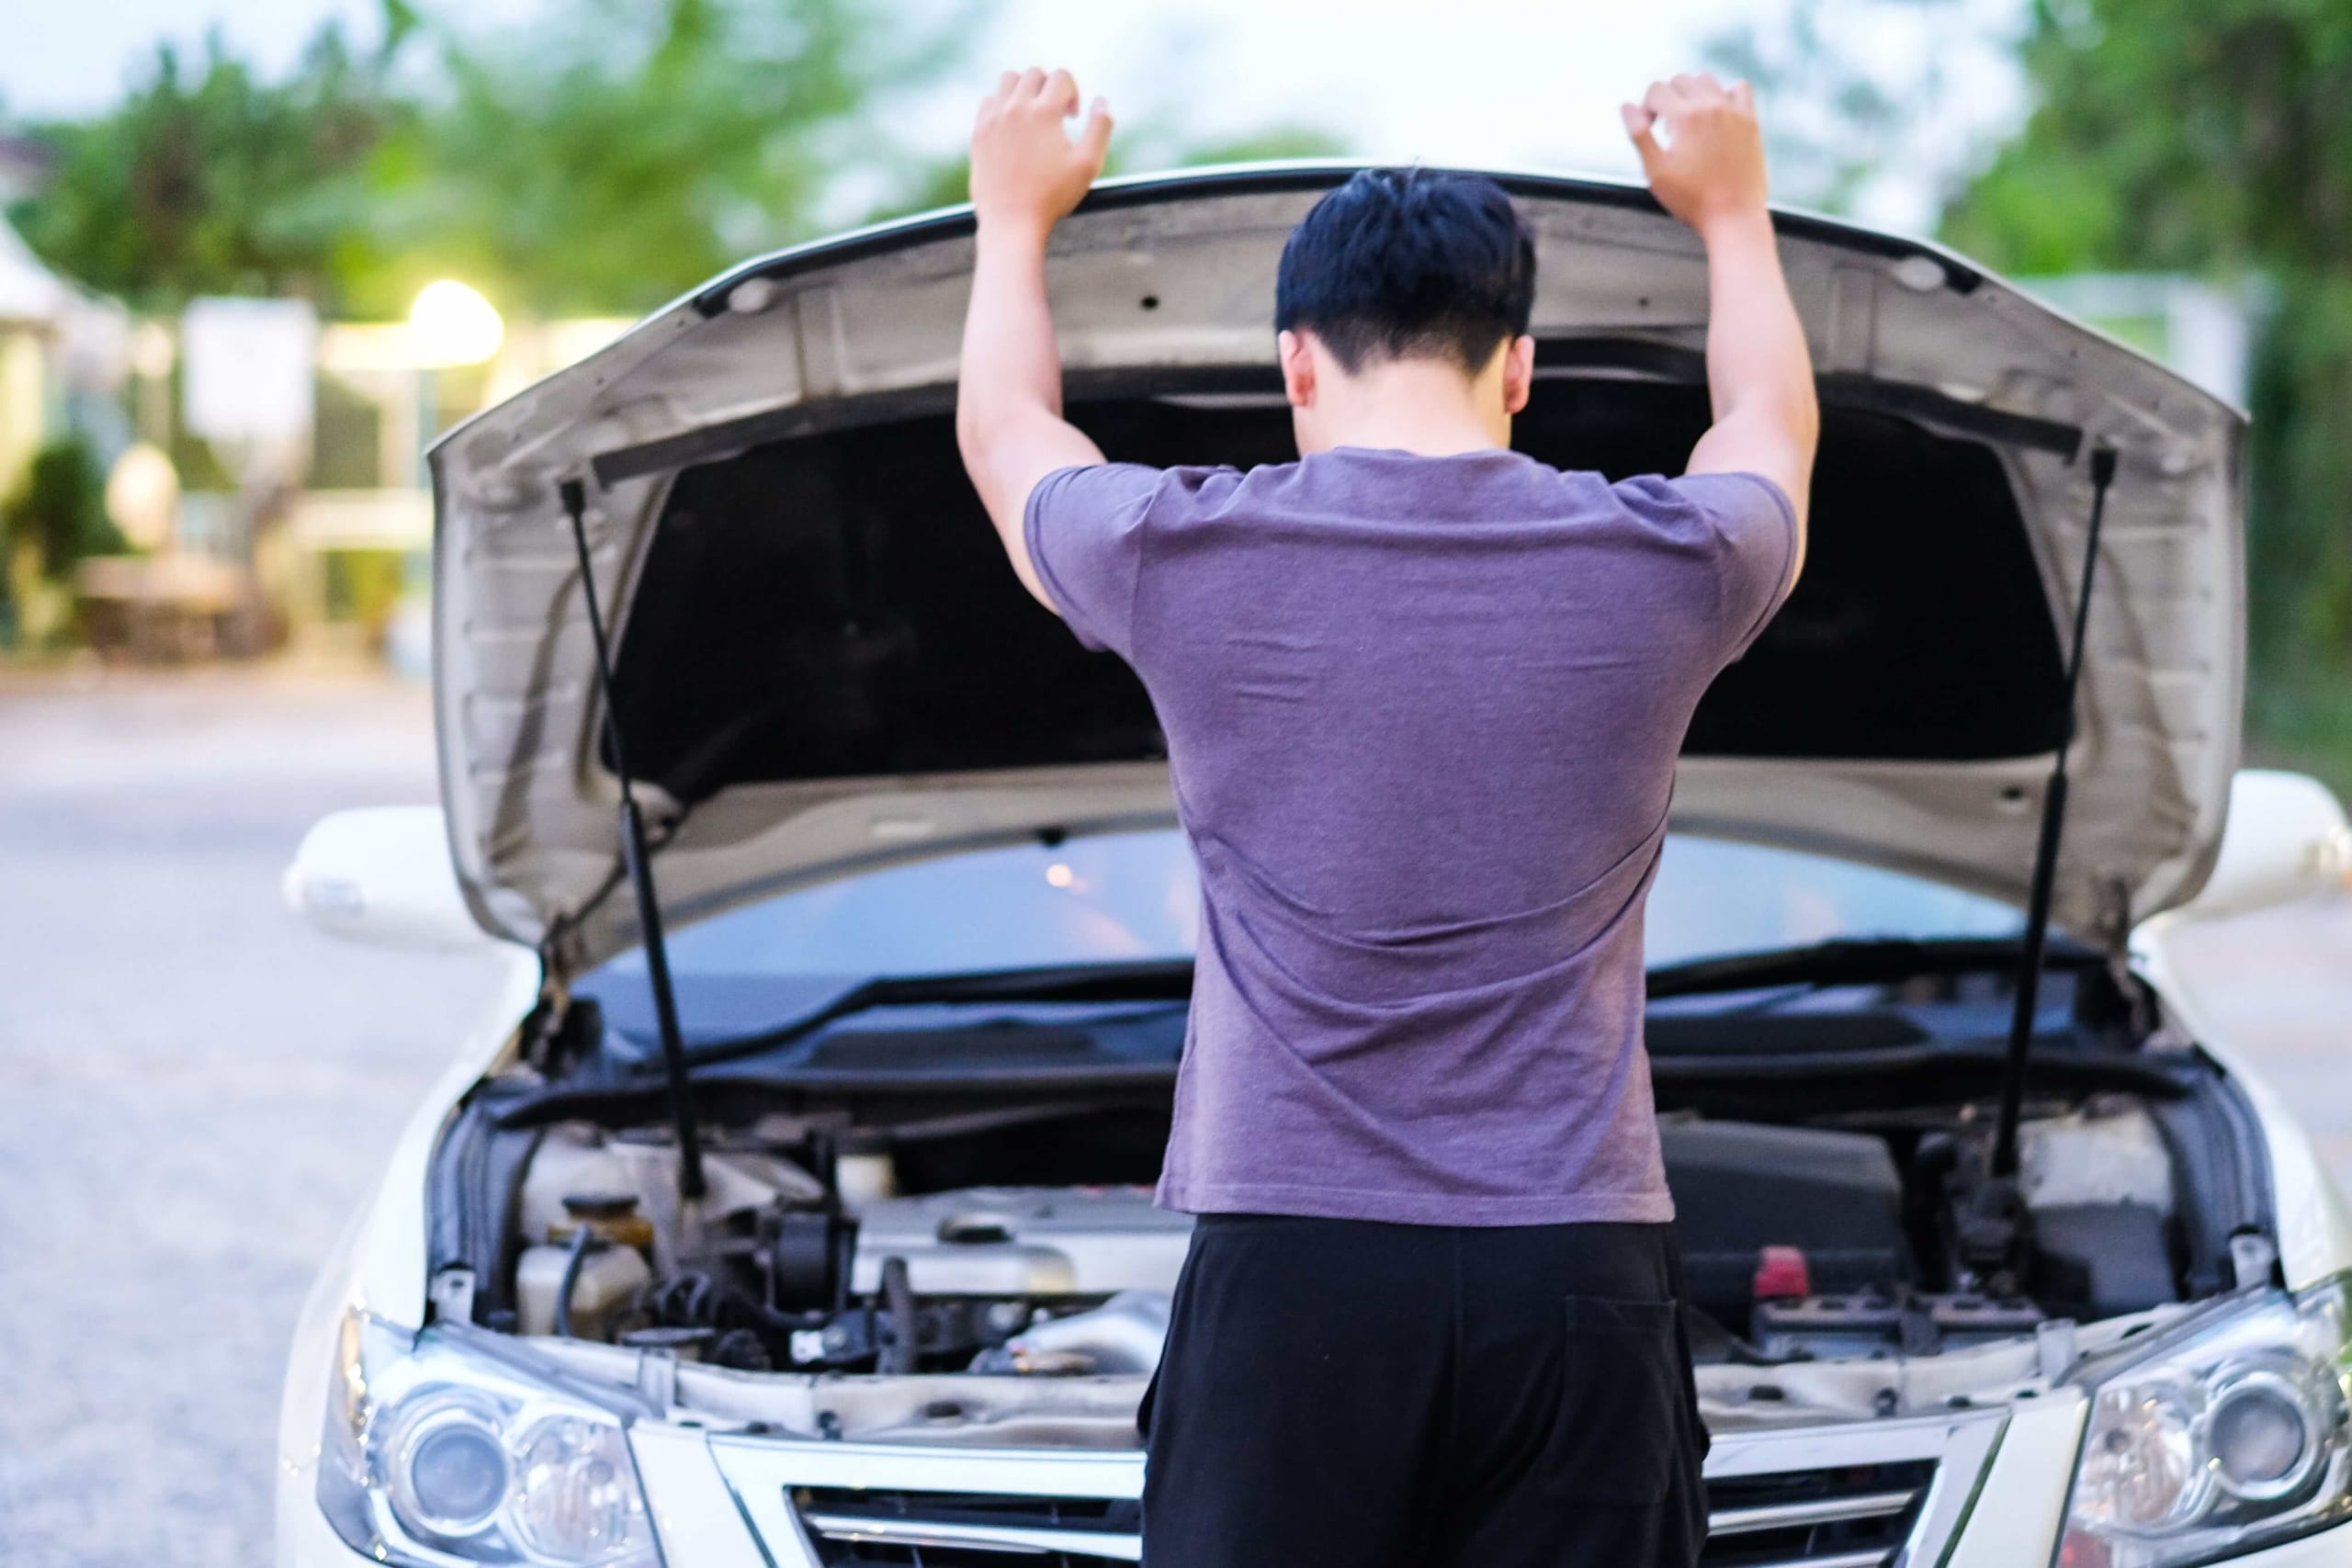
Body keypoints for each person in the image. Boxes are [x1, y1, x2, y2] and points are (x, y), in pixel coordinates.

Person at [956, 65, 1817, 1568]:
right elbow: (1769, 423)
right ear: (1523, 365)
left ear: (1295, 362)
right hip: (1578, 1275)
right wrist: (1732, 210)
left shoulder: (1178, 551)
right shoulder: (1671, 562)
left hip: (1292, 1281)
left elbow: (1007, 430)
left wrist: (1012, 216)